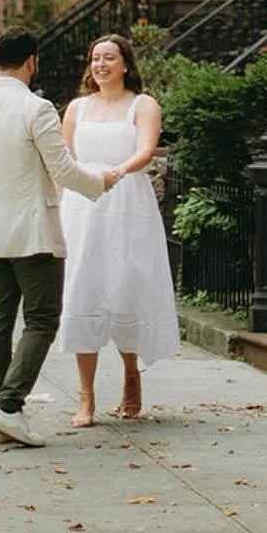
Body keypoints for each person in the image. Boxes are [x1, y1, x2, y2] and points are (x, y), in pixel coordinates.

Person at [0, 26, 117, 448]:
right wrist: (102, 180)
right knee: (42, 319)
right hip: (31, 230)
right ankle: (7, 406)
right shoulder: (37, 108)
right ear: (32, 61)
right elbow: (62, 169)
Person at [57, 33, 181, 426]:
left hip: (127, 201)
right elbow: (64, 160)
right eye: (95, 58)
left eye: (109, 58)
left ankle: (131, 376)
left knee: (125, 287)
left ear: (125, 64)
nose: (101, 64)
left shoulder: (143, 105)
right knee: (83, 289)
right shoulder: (76, 109)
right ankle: (86, 398)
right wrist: (56, 207)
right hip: (82, 207)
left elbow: (146, 149)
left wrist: (119, 172)